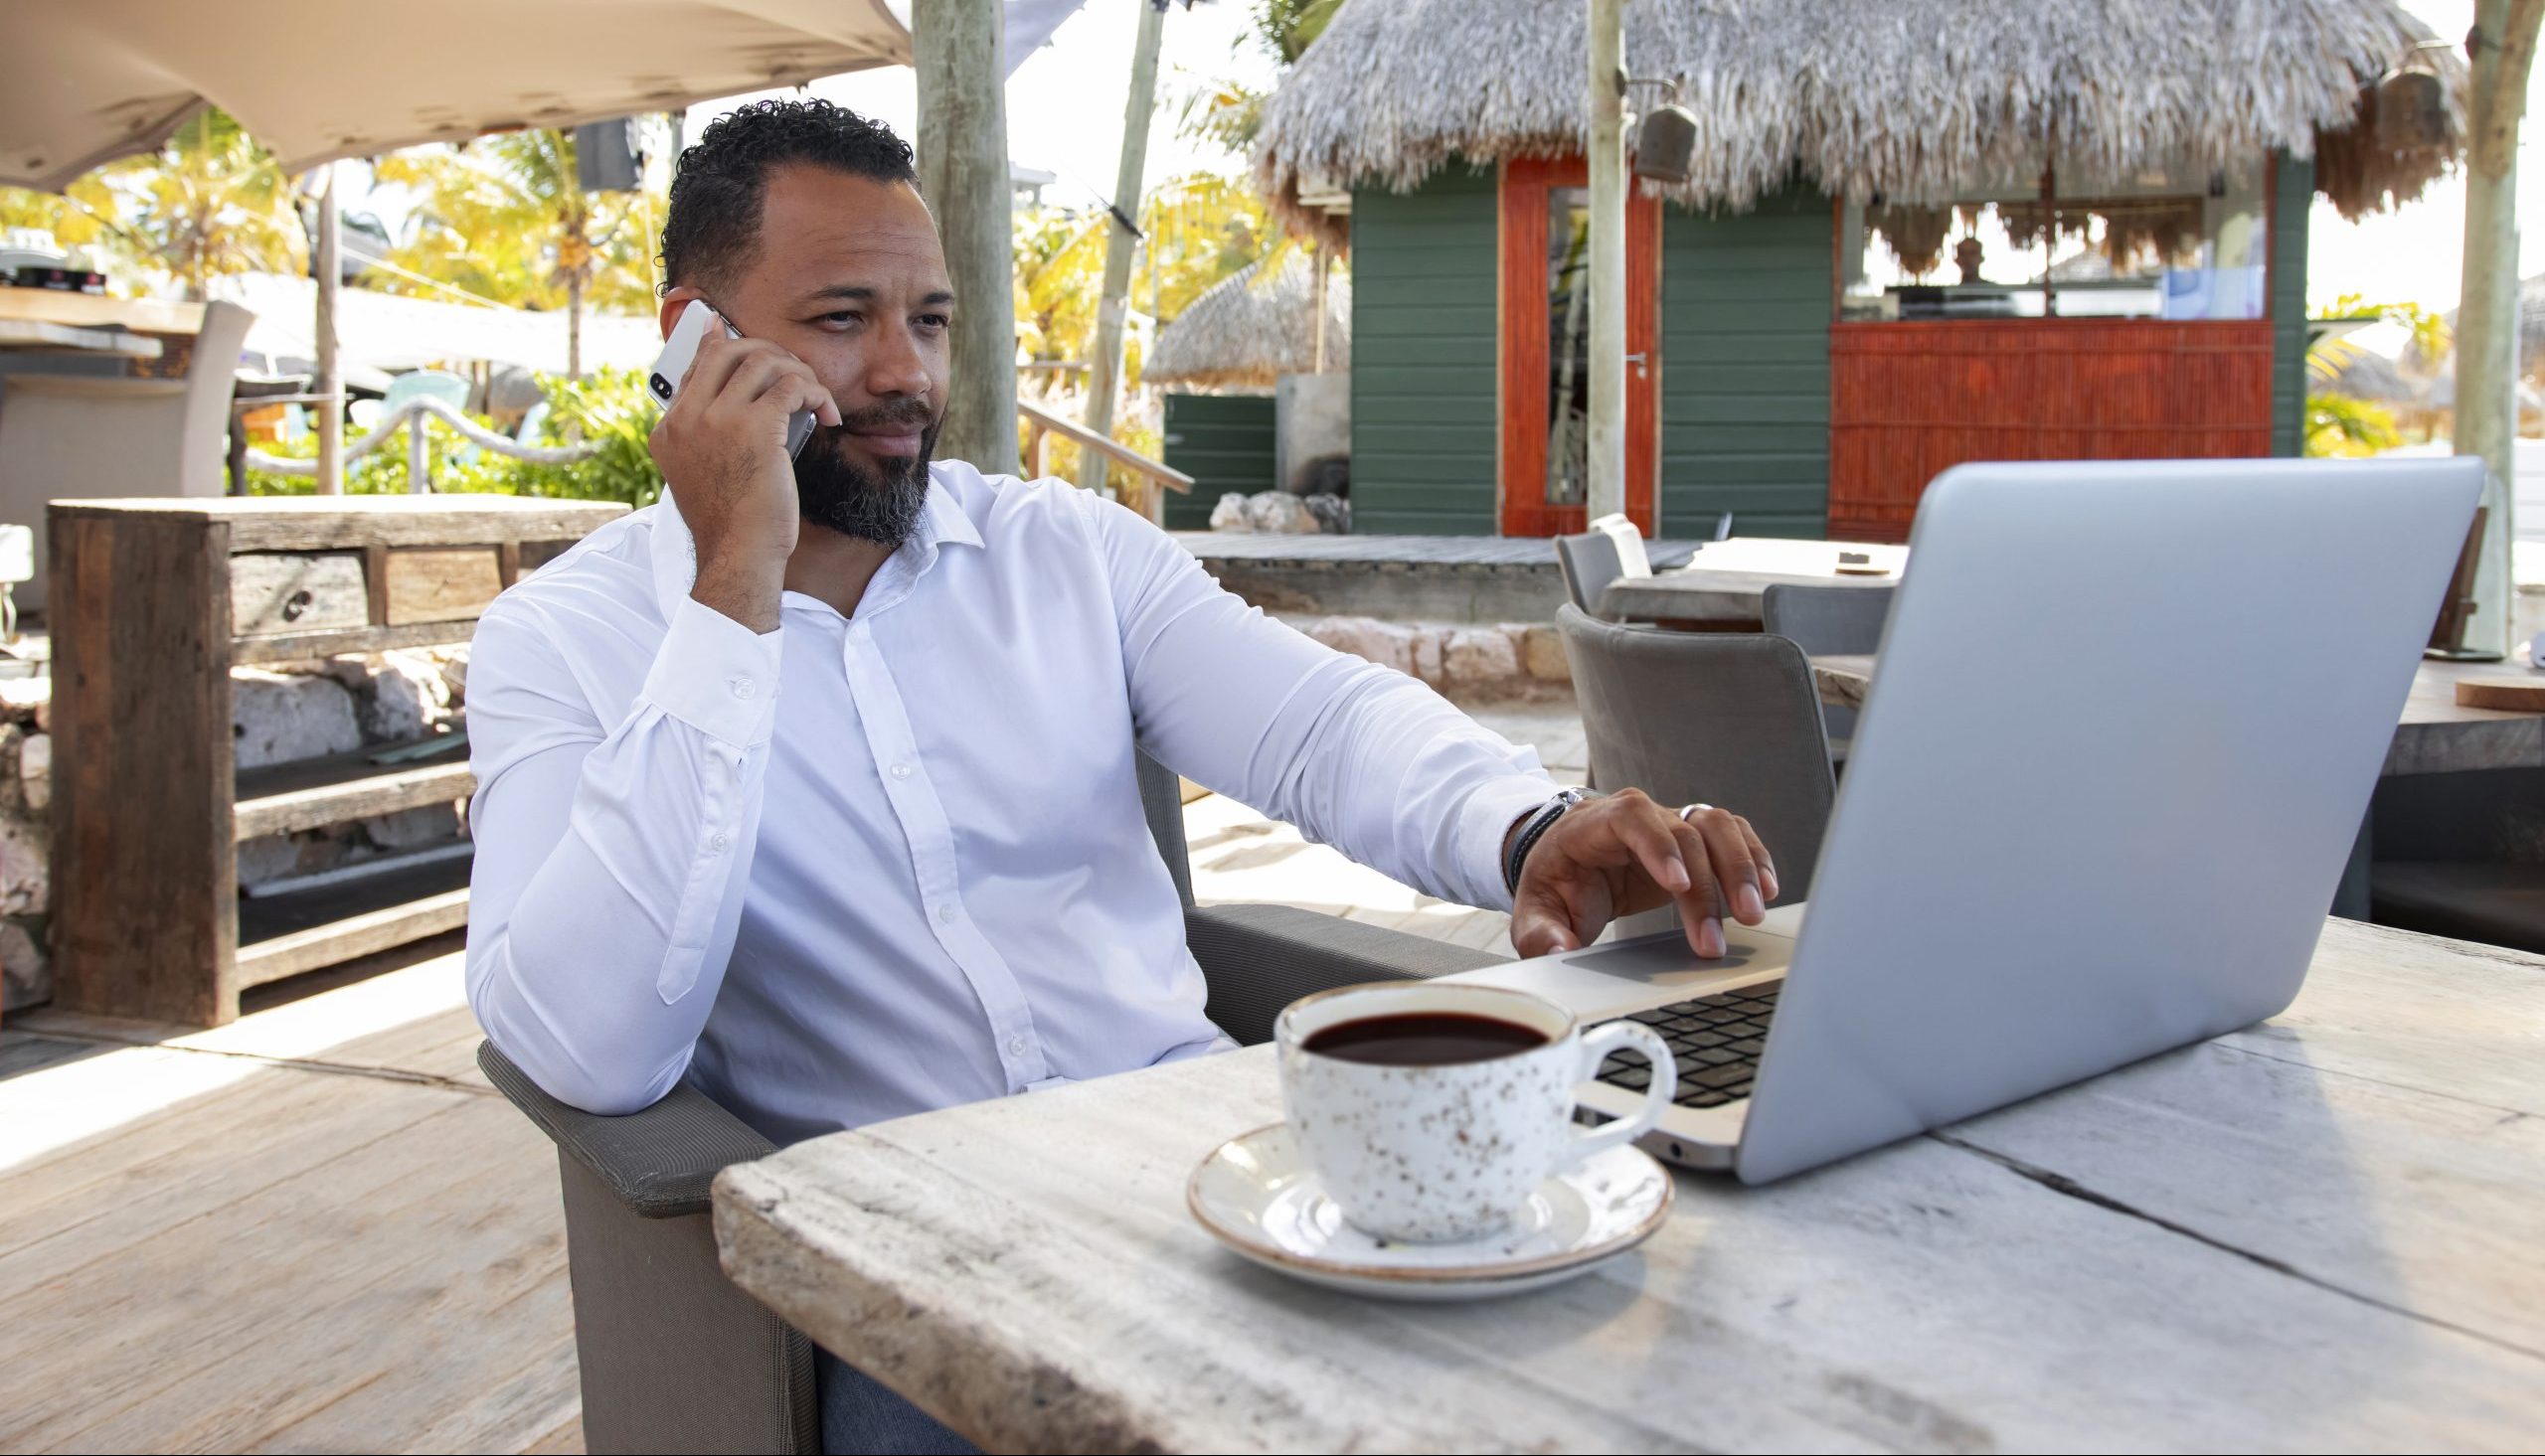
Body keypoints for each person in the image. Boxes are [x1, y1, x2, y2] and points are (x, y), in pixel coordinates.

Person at [463, 99, 1777, 1454]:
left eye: (931, 320)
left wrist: (1529, 827)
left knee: (1630, 1351)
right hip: (922, 1264)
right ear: (694, 339)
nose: (906, 373)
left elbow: (1318, 724)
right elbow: (589, 1047)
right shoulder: (564, 644)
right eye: (843, 319)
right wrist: (732, 583)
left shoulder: (1062, 552)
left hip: (1210, 1177)